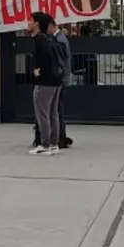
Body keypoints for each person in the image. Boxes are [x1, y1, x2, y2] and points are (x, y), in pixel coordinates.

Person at [33, 18, 73, 149]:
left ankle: (50, 141)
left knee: (51, 111)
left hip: (56, 79)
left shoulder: (58, 40)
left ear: (51, 26)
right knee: (54, 112)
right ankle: (55, 140)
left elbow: (60, 60)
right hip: (58, 79)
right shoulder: (56, 38)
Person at [28, 12, 63, 155]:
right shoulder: (49, 38)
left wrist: (38, 69)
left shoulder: (39, 39)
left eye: (30, 21)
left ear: (36, 24)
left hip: (45, 82)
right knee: (53, 113)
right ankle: (54, 143)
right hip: (56, 81)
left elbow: (46, 56)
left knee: (42, 113)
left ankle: (45, 144)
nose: (28, 23)